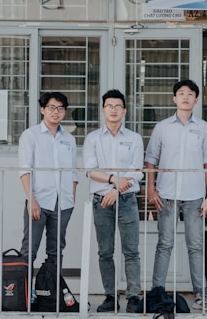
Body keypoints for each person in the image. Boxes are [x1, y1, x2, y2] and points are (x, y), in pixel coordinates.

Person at [145, 79, 207, 312]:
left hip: (195, 194)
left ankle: (201, 294)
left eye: (190, 94)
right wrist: (150, 188)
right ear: (174, 98)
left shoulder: (204, 128)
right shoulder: (162, 127)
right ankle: (157, 292)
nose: (185, 97)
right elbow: (151, 160)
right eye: (181, 93)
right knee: (164, 244)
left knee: (196, 245)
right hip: (166, 194)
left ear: (196, 100)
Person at [83, 89, 143, 313]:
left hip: (126, 200)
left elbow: (137, 172)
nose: (114, 110)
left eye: (118, 106)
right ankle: (110, 296)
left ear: (124, 110)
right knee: (105, 251)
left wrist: (116, 190)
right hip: (101, 201)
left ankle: (134, 297)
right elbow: (90, 170)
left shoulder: (134, 138)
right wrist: (113, 180)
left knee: (131, 251)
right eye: (110, 106)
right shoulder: (93, 138)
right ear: (103, 110)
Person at [18, 92, 78, 268]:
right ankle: (26, 294)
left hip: (63, 204)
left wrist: (71, 197)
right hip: (39, 201)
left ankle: (51, 294)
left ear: (65, 112)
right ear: (43, 109)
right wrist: (31, 199)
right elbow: (24, 170)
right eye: (51, 107)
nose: (56, 112)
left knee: (56, 251)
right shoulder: (30, 135)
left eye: (60, 108)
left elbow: (73, 173)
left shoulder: (69, 139)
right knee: (29, 250)